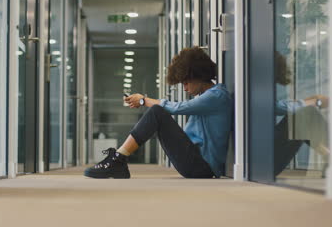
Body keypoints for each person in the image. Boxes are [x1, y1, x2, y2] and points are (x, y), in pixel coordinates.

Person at [84, 46, 233, 179]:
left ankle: (118, 158)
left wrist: (144, 100)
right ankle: (119, 158)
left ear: (199, 75)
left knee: (157, 112)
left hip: (202, 167)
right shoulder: (211, 97)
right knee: (156, 113)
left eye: (186, 82)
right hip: (196, 163)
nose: (184, 88)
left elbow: (178, 108)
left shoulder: (216, 96)